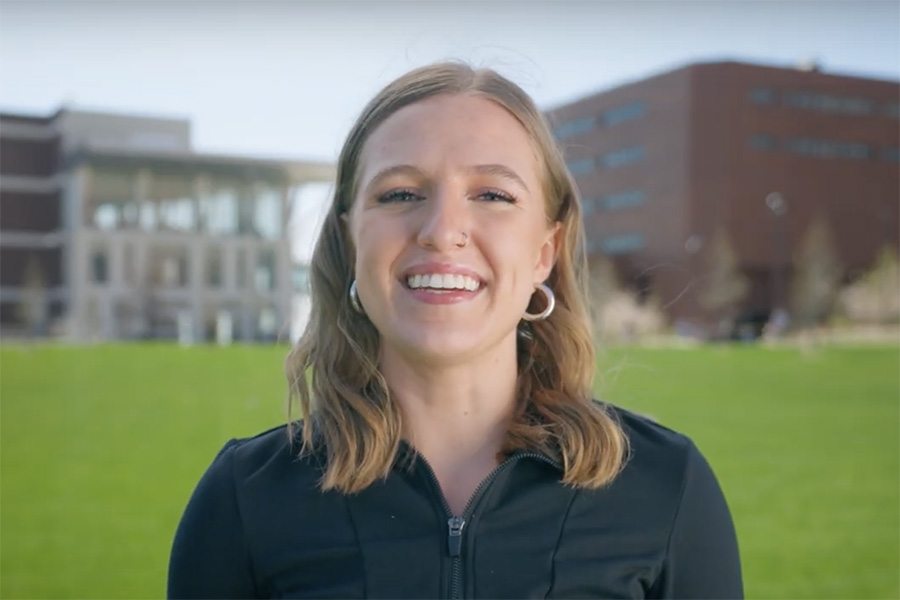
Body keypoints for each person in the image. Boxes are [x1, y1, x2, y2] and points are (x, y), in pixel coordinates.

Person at [168, 62, 743, 599]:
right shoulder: (245, 499)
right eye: (400, 194)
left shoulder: (666, 488)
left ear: (545, 251)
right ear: (350, 244)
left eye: (492, 195)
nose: (442, 231)